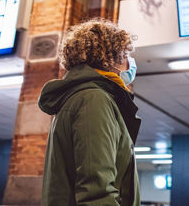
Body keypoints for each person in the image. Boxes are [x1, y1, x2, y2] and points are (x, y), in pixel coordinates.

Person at [38, 18, 141, 206]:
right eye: (126, 56)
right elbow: (96, 193)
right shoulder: (94, 99)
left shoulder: (80, 98)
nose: (130, 63)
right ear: (111, 59)